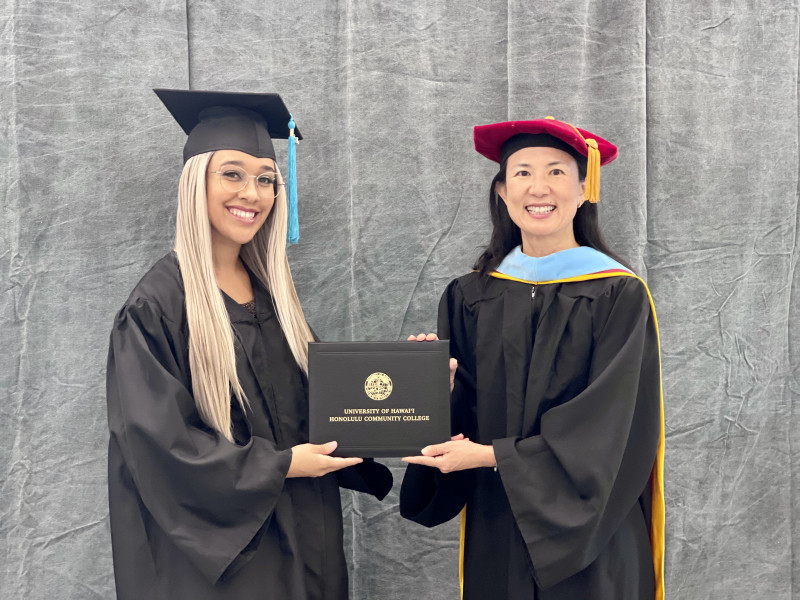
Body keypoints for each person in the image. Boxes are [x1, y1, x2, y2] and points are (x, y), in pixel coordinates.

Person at [106, 89, 392, 600]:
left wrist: (419, 387)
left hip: (301, 534)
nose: (253, 193)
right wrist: (282, 464)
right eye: (232, 173)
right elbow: (158, 445)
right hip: (227, 562)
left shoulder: (272, 294)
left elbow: (324, 402)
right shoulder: (158, 306)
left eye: (266, 179)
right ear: (196, 183)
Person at [400, 118, 665, 599]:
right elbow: (463, 417)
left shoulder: (618, 294)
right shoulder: (469, 296)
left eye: (557, 173)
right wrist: (437, 389)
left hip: (593, 530)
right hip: (498, 519)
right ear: (502, 191)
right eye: (521, 173)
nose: (538, 187)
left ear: (584, 190)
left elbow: (611, 423)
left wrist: (492, 456)